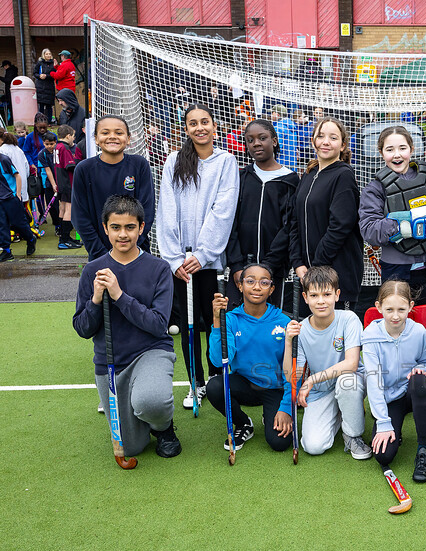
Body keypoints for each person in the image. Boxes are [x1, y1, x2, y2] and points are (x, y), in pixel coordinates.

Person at [72, 194, 180, 458]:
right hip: (110, 360)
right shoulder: (93, 271)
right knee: (131, 448)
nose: (123, 235)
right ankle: (140, 416)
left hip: (150, 351)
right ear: (105, 228)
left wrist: (119, 296)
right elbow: (83, 329)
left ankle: (163, 426)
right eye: (116, 227)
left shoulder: (159, 268)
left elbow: (157, 325)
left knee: (151, 402)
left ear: (141, 228)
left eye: (130, 227)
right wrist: (96, 300)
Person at [157, 104, 240, 409]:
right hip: (181, 265)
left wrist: (203, 253)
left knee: (214, 323)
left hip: (209, 262)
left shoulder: (226, 161)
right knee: (189, 326)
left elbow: (223, 209)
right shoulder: (174, 161)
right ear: (186, 129)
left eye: (205, 122)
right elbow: (167, 208)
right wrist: (175, 259)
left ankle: (218, 382)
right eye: (193, 123)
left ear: (214, 126)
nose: (200, 127)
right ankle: (197, 383)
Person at [359, 125, 426, 305]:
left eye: (402, 148)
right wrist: (407, 224)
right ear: (381, 152)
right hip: (396, 270)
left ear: (412, 149)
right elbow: (368, 230)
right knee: (398, 324)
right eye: (390, 149)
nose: (397, 154)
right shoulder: (375, 189)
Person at [282, 266, 371, 459]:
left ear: (337, 295)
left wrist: (313, 379)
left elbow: (352, 364)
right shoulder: (302, 329)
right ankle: (342, 414)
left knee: (347, 382)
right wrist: (289, 343)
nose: (321, 301)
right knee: (313, 446)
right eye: (314, 295)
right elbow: (292, 376)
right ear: (305, 298)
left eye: (327, 294)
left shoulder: (349, 319)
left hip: (350, 381)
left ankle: (352, 435)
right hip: (321, 390)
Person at [206, 262, 294, 452]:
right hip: (245, 384)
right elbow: (218, 360)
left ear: (272, 289)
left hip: (275, 387)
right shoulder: (230, 319)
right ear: (240, 285)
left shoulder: (284, 321)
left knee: (279, 444)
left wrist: (286, 408)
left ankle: (272, 413)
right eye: (250, 281)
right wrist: (216, 320)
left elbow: (293, 369)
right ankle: (243, 423)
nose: (256, 287)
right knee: (214, 386)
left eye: (264, 283)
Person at [363, 279, 426, 482]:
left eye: (401, 309)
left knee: (420, 382)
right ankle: (395, 428)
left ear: (411, 307)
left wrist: (422, 368)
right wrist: (383, 423)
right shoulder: (369, 336)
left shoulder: (419, 332)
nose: (395, 316)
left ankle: (424, 449)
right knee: (383, 456)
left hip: (412, 393)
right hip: (389, 399)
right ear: (378, 307)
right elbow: (374, 381)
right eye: (389, 309)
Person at [289, 116, 363, 312]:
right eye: (320, 136)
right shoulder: (308, 174)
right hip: (309, 276)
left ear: (342, 145)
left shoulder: (344, 175)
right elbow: (295, 221)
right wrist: (298, 263)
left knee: (338, 341)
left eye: (333, 137)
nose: (326, 142)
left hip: (336, 277)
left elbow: (340, 226)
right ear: (313, 140)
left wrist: (316, 266)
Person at [226, 119, 300, 305]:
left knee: (271, 325)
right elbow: (230, 223)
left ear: (274, 141)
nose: (256, 143)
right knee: (236, 325)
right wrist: (236, 265)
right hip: (241, 270)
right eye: (250, 140)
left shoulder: (290, 180)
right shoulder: (240, 178)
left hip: (273, 269)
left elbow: (290, 226)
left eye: (262, 138)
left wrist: (269, 265)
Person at [72, 115, 155, 261]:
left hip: (138, 253)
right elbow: (80, 217)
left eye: (119, 132)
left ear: (128, 138)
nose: (112, 137)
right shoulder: (84, 169)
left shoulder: (139, 165)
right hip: (99, 255)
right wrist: (102, 255)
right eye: (105, 133)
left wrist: (131, 248)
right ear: (96, 139)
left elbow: (147, 211)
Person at [0, 151, 36, 261]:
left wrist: (18, 194)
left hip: (10, 197)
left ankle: (30, 239)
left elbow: (17, 175)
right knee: (2, 225)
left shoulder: (3, 159)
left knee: (18, 224)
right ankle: (6, 251)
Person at [54, 125, 83, 249]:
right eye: (73, 136)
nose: (74, 139)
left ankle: (64, 237)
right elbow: (69, 166)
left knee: (63, 208)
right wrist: (80, 164)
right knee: (69, 210)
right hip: (67, 183)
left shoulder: (57, 146)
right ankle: (64, 240)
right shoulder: (64, 148)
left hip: (60, 182)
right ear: (68, 136)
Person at [36, 132, 60, 231]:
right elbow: (47, 170)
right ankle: (57, 225)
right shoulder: (42, 154)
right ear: (43, 143)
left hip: (61, 180)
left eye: (51, 144)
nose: (49, 146)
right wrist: (54, 184)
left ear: (55, 142)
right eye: (47, 144)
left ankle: (66, 223)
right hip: (48, 183)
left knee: (64, 203)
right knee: (53, 205)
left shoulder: (59, 151)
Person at [269, 104, 299, 169]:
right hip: (292, 164)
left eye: (272, 113)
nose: (271, 115)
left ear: (277, 115)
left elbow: (277, 147)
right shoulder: (293, 127)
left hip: (280, 164)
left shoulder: (279, 128)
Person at [33, 49, 57, 122]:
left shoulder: (53, 64)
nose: (48, 55)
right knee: (41, 105)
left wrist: (46, 76)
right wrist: (39, 76)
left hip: (49, 86)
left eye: (49, 54)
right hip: (40, 86)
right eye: (47, 54)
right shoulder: (40, 63)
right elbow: (35, 73)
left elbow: (55, 74)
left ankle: (49, 121)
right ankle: (41, 121)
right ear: (43, 55)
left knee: (49, 105)